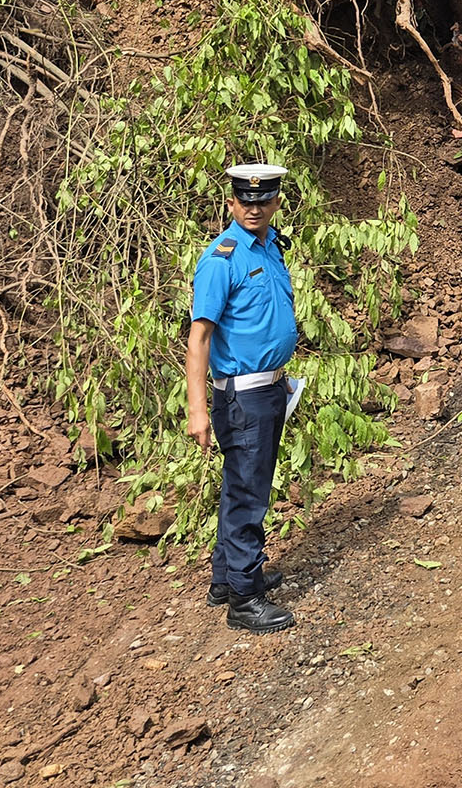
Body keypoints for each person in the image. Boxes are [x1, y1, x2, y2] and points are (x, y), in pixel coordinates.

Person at [185, 161, 301, 634]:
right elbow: (199, 338)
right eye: (245, 201)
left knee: (241, 488)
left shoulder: (271, 246)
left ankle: (226, 580)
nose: (254, 208)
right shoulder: (221, 260)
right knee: (248, 498)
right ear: (231, 204)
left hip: (269, 388)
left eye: (263, 200)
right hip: (243, 398)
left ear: (274, 203)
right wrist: (197, 410)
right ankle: (244, 601)